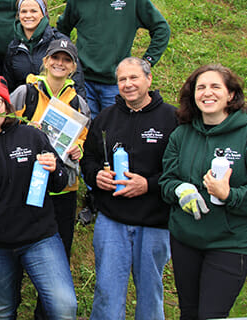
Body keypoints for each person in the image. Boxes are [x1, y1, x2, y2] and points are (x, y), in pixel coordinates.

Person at [0, 72, 77, 320]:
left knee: (65, 307)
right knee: (1, 310)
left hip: (39, 238)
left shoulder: (30, 135)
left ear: (7, 106)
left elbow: (61, 182)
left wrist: (55, 169)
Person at [159, 64, 247, 320]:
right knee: (189, 313)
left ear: (231, 94)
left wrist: (229, 195)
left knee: (211, 315)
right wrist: (180, 189)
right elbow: (166, 181)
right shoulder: (181, 134)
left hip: (230, 242)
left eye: (215, 87)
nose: (207, 93)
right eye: (201, 87)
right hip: (186, 240)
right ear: (193, 94)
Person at [80, 57, 177, 320]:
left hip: (154, 222)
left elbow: (181, 170)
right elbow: (87, 159)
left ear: (149, 79)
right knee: (107, 294)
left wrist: (148, 184)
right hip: (112, 220)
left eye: (134, 78)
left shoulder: (172, 118)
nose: (128, 84)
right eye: (122, 79)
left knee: (150, 294)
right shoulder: (105, 118)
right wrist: (96, 175)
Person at [56, 0, 170, 119]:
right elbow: (61, 31)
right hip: (84, 81)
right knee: (85, 131)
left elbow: (161, 28)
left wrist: (147, 62)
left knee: (117, 129)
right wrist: (67, 61)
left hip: (116, 83)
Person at [10, 38, 90, 260]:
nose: (60, 63)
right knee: (20, 248)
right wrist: (25, 130)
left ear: (73, 67)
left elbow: (83, 140)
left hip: (63, 190)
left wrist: (78, 150)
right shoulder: (25, 93)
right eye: (55, 57)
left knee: (60, 250)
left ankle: (47, 296)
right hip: (26, 183)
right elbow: (3, 128)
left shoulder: (79, 104)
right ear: (45, 61)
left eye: (67, 60)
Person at [4, 0, 81, 93]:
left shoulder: (59, 42)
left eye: (33, 11)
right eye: (24, 11)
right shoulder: (14, 47)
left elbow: (77, 82)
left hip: (55, 104)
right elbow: (9, 86)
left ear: (43, 13)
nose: (28, 15)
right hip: (25, 105)